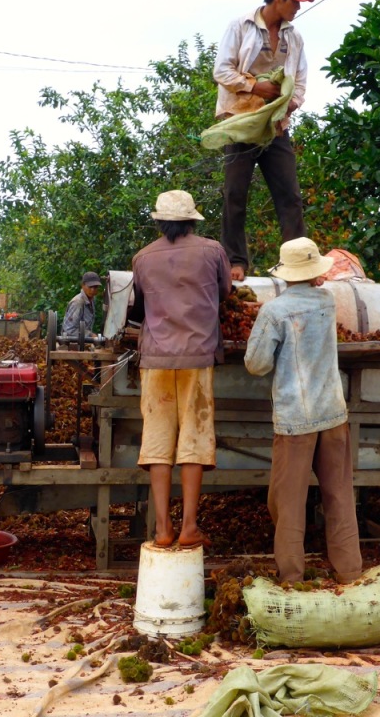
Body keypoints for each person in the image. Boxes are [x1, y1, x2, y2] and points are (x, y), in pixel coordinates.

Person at [243, 236, 363, 584]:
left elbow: (256, 364)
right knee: (339, 495)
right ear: (315, 272)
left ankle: (292, 576)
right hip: (333, 413)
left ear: (285, 274)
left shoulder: (275, 311)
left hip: (296, 419)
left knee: (288, 501)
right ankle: (350, 573)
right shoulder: (326, 302)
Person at [129, 190, 231, 549]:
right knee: (193, 440)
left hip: (156, 359)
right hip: (197, 357)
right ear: (191, 220)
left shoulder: (142, 258)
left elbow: (137, 308)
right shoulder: (213, 250)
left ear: (160, 222)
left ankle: (162, 530)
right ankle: (189, 527)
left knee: (157, 443)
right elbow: (224, 292)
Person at [213, 0, 312, 282]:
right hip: (242, 120)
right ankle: (235, 261)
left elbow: (300, 83)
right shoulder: (240, 26)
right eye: (294, 1)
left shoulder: (293, 37)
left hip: (275, 125)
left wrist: (286, 103)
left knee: (290, 195)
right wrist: (256, 87)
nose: (298, 7)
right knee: (234, 193)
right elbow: (222, 71)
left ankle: (297, 263)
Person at [62, 271, 102, 338]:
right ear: (83, 285)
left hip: (83, 341)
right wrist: (90, 334)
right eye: (90, 287)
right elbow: (69, 330)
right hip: (72, 342)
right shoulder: (77, 303)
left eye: (95, 287)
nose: (92, 290)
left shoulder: (92, 300)